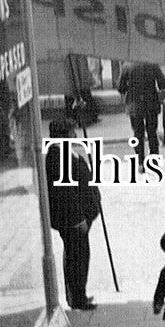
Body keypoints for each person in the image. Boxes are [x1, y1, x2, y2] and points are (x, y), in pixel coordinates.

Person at [45, 118, 100, 310]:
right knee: (76, 258)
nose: (75, 135)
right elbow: (64, 194)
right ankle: (77, 297)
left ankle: (79, 294)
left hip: (81, 218)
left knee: (81, 256)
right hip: (73, 221)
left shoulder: (64, 151)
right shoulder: (57, 156)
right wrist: (78, 219)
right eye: (72, 132)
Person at [116, 62, 165, 172]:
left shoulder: (127, 66)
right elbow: (164, 84)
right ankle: (154, 161)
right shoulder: (152, 64)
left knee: (138, 134)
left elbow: (120, 87)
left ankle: (141, 163)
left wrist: (129, 87)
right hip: (151, 104)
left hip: (135, 106)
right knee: (152, 133)